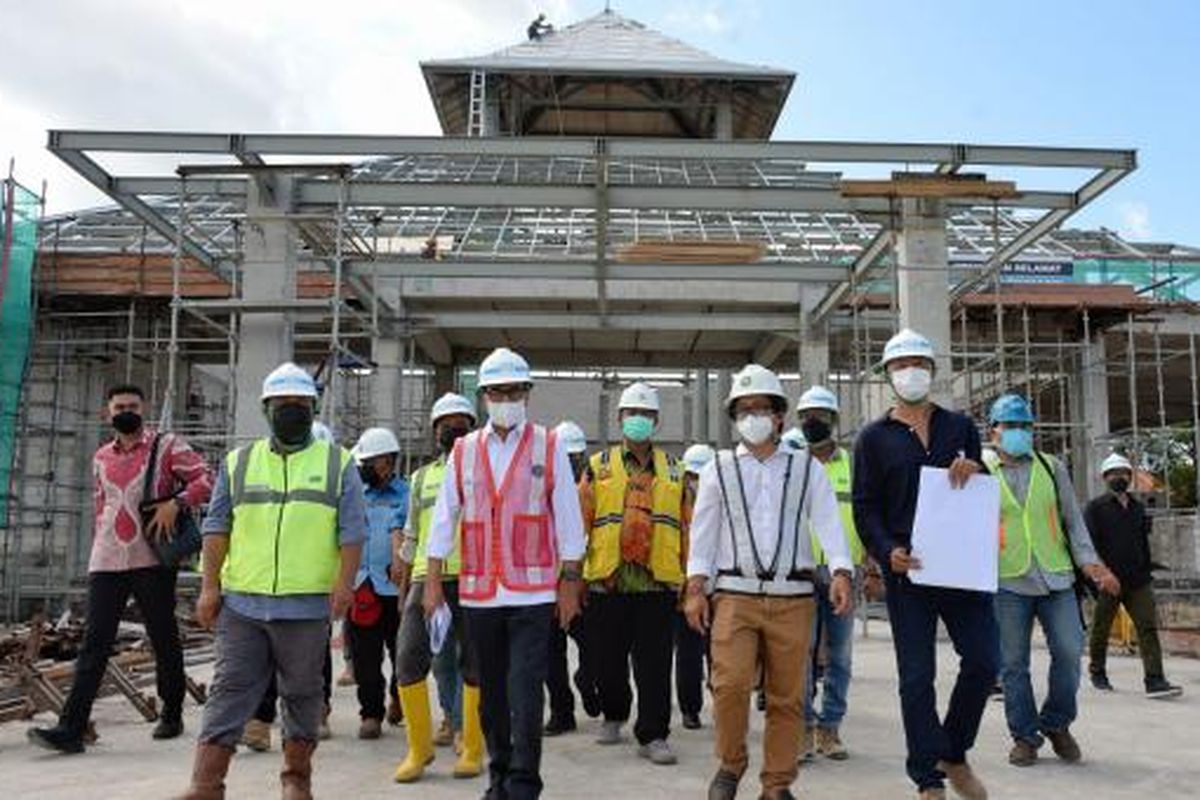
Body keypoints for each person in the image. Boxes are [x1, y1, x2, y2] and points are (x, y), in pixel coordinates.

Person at [178, 362, 366, 800]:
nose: (291, 411)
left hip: (304, 606)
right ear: (266, 409)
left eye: (300, 404)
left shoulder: (338, 463)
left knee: (301, 692)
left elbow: (353, 531)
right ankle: (205, 786)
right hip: (242, 603)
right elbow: (216, 527)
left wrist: (345, 584)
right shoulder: (239, 462)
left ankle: (296, 780)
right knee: (229, 690)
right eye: (283, 404)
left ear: (314, 408)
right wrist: (209, 587)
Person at [684, 364, 853, 800]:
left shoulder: (805, 469)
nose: (753, 416)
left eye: (762, 408)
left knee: (787, 697)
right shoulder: (718, 469)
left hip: (793, 597)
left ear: (780, 416)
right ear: (735, 417)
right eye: (744, 409)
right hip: (734, 597)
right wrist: (695, 588)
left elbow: (828, 521)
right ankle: (731, 763)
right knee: (729, 685)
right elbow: (702, 533)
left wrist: (840, 570)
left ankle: (776, 784)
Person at [423, 348, 586, 800]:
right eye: (497, 391)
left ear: (527, 394)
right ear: (484, 396)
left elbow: (569, 520)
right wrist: (433, 581)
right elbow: (444, 517)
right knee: (491, 696)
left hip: (533, 593)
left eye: (515, 391)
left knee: (525, 693)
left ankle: (524, 785)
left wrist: (569, 583)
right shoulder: (464, 450)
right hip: (479, 593)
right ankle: (499, 776)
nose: (506, 398)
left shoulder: (548, 446)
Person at [28, 384, 213, 754]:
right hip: (108, 559)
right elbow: (102, 507)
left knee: (163, 636)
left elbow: (206, 479)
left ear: (143, 409)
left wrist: (176, 503)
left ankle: (172, 711)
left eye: (132, 405)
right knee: (94, 642)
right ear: (107, 414)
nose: (126, 411)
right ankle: (71, 727)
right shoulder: (100, 457)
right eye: (119, 406)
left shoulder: (166, 446)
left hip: (151, 558)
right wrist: (99, 547)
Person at [852, 329, 997, 800]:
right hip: (908, 572)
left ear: (932, 371)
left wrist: (977, 468)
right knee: (917, 676)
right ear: (887, 375)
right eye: (900, 365)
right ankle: (927, 778)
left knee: (982, 660)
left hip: (961, 570)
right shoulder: (873, 439)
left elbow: (981, 486)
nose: (910, 372)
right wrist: (884, 549)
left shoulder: (960, 428)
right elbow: (865, 506)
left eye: (918, 363)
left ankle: (952, 751)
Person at [982, 394, 1122, 767]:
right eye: (1010, 426)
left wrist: (1092, 565)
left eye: (1025, 426)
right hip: (1007, 578)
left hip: (1055, 576)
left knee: (1068, 651)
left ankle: (1057, 723)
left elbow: (1073, 520)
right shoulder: (980, 469)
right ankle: (1025, 736)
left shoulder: (1050, 466)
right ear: (993, 431)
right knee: (1013, 664)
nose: (1019, 433)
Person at [581, 383, 691, 765]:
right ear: (619, 419)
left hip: (656, 582)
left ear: (657, 421)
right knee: (607, 660)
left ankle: (654, 733)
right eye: (631, 413)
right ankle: (613, 715)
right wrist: (575, 577)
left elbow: (687, 528)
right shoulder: (598, 466)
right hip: (608, 580)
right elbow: (583, 521)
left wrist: (689, 579)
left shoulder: (675, 470)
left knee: (655, 664)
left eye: (645, 414)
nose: (638, 420)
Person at [393, 392, 485, 782]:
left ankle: (472, 747)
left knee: (474, 664)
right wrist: (404, 582)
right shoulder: (420, 478)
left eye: (460, 422)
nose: (452, 428)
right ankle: (419, 748)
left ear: (472, 427)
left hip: (472, 576)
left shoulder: (485, 472)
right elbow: (413, 533)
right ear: (435, 432)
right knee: (408, 658)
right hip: (424, 579)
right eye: (445, 423)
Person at [796, 385, 877, 763]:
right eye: (807, 416)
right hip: (800, 572)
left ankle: (831, 728)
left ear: (834, 421)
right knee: (802, 653)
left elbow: (867, 515)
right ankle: (804, 729)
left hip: (845, 572)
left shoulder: (854, 465)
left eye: (821, 415)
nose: (813, 422)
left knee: (841, 655)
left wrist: (872, 564)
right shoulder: (792, 465)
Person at [1085, 453, 1184, 699]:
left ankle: (1155, 680)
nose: (1120, 477)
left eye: (1124, 473)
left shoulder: (1139, 508)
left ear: (1130, 476)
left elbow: (1143, 543)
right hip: (1109, 580)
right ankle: (1098, 672)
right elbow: (1089, 545)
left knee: (1147, 627)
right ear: (1105, 478)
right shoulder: (1095, 508)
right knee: (1101, 628)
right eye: (1114, 474)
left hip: (1138, 580)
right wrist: (1099, 576)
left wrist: (1147, 570)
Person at [346, 427, 408, 739]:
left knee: (403, 652)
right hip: (363, 586)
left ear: (387, 462)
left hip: (397, 589)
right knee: (365, 656)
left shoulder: (407, 495)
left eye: (370, 462)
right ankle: (370, 713)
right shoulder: (355, 495)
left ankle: (400, 696)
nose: (364, 469)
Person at [544, 420, 599, 735]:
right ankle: (561, 713)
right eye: (565, 458)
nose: (571, 465)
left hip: (585, 583)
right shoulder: (540, 491)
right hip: (549, 583)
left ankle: (587, 682)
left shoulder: (594, 489)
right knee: (551, 655)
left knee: (595, 648)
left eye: (575, 458)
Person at [676, 443, 715, 730]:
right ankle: (690, 709)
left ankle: (723, 701)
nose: (697, 482)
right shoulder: (675, 507)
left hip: (720, 589)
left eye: (702, 477)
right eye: (692, 476)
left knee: (720, 653)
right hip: (686, 588)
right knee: (689, 653)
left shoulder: (724, 504)